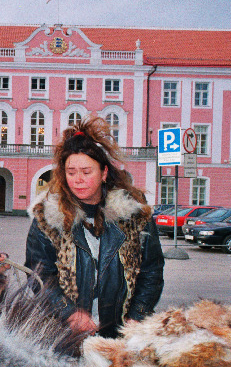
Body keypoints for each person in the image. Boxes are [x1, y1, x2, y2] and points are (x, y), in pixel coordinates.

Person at [24, 118, 164, 338]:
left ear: (104, 173)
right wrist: (68, 313)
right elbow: (39, 275)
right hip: (65, 336)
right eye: (71, 172)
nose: (78, 180)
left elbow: (151, 272)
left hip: (121, 335)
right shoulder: (48, 217)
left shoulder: (134, 215)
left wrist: (137, 317)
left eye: (86, 172)